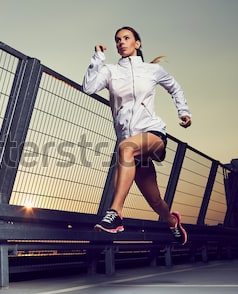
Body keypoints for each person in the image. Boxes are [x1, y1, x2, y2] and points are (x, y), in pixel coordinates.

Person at [82, 26, 192, 245]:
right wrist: (98, 58)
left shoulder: (152, 70)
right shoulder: (110, 71)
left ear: (137, 43)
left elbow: (175, 88)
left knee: (125, 148)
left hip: (153, 134)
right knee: (155, 201)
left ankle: (116, 214)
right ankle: (173, 222)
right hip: (130, 146)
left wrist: (184, 112)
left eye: (126, 38)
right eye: (117, 40)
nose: (121, 42)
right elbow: (88, 87)